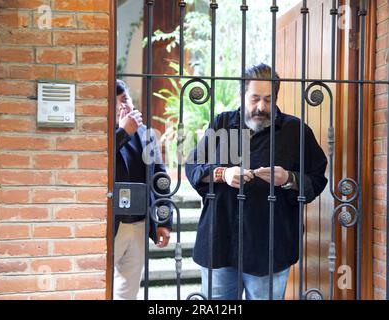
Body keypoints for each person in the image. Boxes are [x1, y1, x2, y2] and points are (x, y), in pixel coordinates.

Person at [185, 63, 328, 300]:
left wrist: (288, 178)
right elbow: (193, 167)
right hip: (220, 241)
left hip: (271, 248)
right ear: (242, 95)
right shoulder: (221, 123)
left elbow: (317, 178)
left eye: (268, 99)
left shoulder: (296, 130)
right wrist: (223, 174)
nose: (261, 107)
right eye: (254, 99)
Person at [113, 79, 172, 300]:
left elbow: (161, 178)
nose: (123, 106)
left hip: (139, 223)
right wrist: (122, 132)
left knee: (128, 291)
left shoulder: (146, 133)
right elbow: (99, 163)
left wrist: (164, 221)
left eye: (125, 99)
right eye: (116, 102)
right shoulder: (102, 134)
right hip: (110, 224)